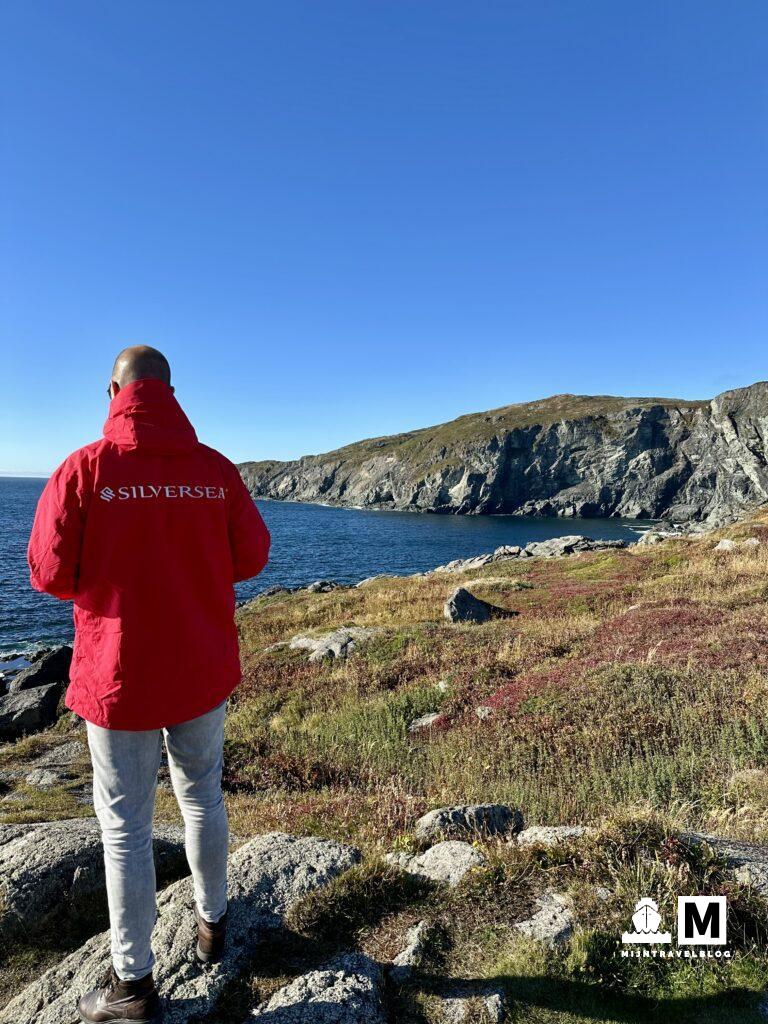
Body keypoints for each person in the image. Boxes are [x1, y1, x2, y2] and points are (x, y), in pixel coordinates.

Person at [27, 346, 270, 1024]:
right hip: (199, 669)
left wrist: (113, 573)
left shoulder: (85, 469)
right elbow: (252, 555)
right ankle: (214, 921)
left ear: (114, 391)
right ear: (169, 391)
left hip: (118, 674)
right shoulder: (214, 470)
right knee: (202, 796)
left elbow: (48, 572)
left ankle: (132, 984)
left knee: (126, 828)